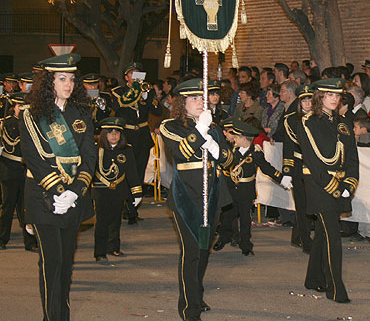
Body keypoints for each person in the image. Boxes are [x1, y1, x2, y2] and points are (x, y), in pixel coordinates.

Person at [19, 53, 97, 321]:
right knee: (51, 263)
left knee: (66, 264)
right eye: (62, 78)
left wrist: (75, 190)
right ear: (48, 82)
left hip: (73, 197)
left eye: (72, 79)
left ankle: (60, 315)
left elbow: (89, 157)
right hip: (44, 198)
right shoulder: (31, 115)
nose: (68, 84)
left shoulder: (83, 113)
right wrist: (58, 191)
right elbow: (32, 156)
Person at [159, 78, 234, 321]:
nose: (200, 102)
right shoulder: (169, 125)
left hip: (212, 193)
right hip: (186, 196)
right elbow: (180, 152)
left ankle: (196, 294)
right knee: (191, 252)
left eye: (202, 98)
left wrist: (213, 144)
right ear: (182, 102)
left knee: (203, 250)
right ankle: (188, 307)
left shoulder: (212, 125)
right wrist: (200, 130)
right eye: (194, 98)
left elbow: (227, 159)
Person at [293, 78, 359, 303]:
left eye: (337, 95)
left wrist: (349, 183)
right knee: (333, 234)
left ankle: (313, 278)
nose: (334, 99)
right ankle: (335, 287)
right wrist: (334, 188)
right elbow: (313, 160)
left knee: (322, 233)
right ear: (320, 96)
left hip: (340, 184)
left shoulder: (343, 123)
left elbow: (352, 157)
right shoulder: (308, 121)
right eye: (329, 95)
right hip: (319, 185)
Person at [216, 119, 284, 256]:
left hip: (246, 191)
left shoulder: (255, 153)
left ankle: (246, 244)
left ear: (244, 139)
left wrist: (282, 178)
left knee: (246, 220)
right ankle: (223, 238)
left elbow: (267, 169)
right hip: (231, 190)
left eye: (236, 137)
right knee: (227, 216)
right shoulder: (232, 149)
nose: (234, 139)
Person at [111, 62, 162, 224]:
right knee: (126, 173)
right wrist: (136, 92)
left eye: (138, 73)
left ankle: (133, 207)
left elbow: (157, 111)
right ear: (126, 77)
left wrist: (148, 97)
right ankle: (125, 205)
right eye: (132, 73)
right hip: (127, 136)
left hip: (142, 136)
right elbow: (119, 107)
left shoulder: (147, 90)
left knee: (139, 173)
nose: (135, 76)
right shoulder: (118, 92)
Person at [92, 117, 142, 262]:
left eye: (117, 132)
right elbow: (89, 171)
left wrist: (137, 193)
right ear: (104, 134)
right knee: (101, 221)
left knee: (115, 220)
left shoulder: (126, 150)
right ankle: (99, 252)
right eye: (110, 132)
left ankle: (113, 247)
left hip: (119, 190)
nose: (114, 135)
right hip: (101, 190)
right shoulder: (97, 149)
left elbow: (132, 172)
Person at [0, 92, 38, 252]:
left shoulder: (31, 122)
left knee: (26, 207)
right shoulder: (7, 123)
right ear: (14, 107)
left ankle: (30, 242)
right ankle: (2, 239)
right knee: (8, 206)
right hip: (10, 169)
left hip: (27, 171)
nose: (22, 109)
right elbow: (11, 145)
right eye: (19, 106)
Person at [282, 84, 315, 253]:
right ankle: (305, 240)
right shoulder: (291, 120)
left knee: (312, 204)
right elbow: (288, 147)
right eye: (304, 100)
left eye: (310, 99)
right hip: (299, 167)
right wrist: (287, 172)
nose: (308, 103)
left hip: (316, 168)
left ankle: (297, 236)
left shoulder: (320, 118)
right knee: (302, 205)